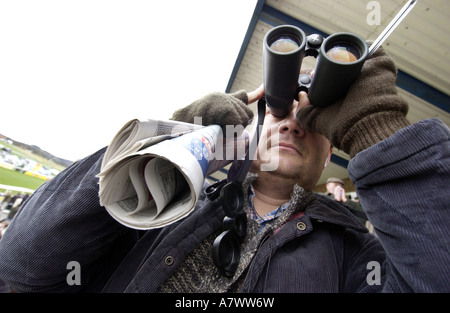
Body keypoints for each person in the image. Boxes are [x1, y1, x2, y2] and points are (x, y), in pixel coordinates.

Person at [0, 45, 448, 293]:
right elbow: (22, 263)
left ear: (330, 155)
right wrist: (167, 145)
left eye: (314, 118)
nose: (294, 121)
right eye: (279, 108)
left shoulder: (357, 253)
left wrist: (378, 132)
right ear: (248, 133)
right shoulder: (172, 199)